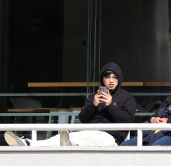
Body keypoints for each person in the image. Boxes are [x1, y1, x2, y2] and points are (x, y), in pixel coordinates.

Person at [4, 62, 136, 147]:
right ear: (102, 79)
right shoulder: (94, 96)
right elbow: (83, 118)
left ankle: (71, 145)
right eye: (107, 77)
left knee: (84, 140)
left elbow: (126, 121)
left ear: (119, 79)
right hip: (88, 131)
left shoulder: (127, 97)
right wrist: (93, 104)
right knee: (63, 137)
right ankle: (28, 143)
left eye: (114, 77)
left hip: (110, 137)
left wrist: (110, 104)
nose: (111, 80)